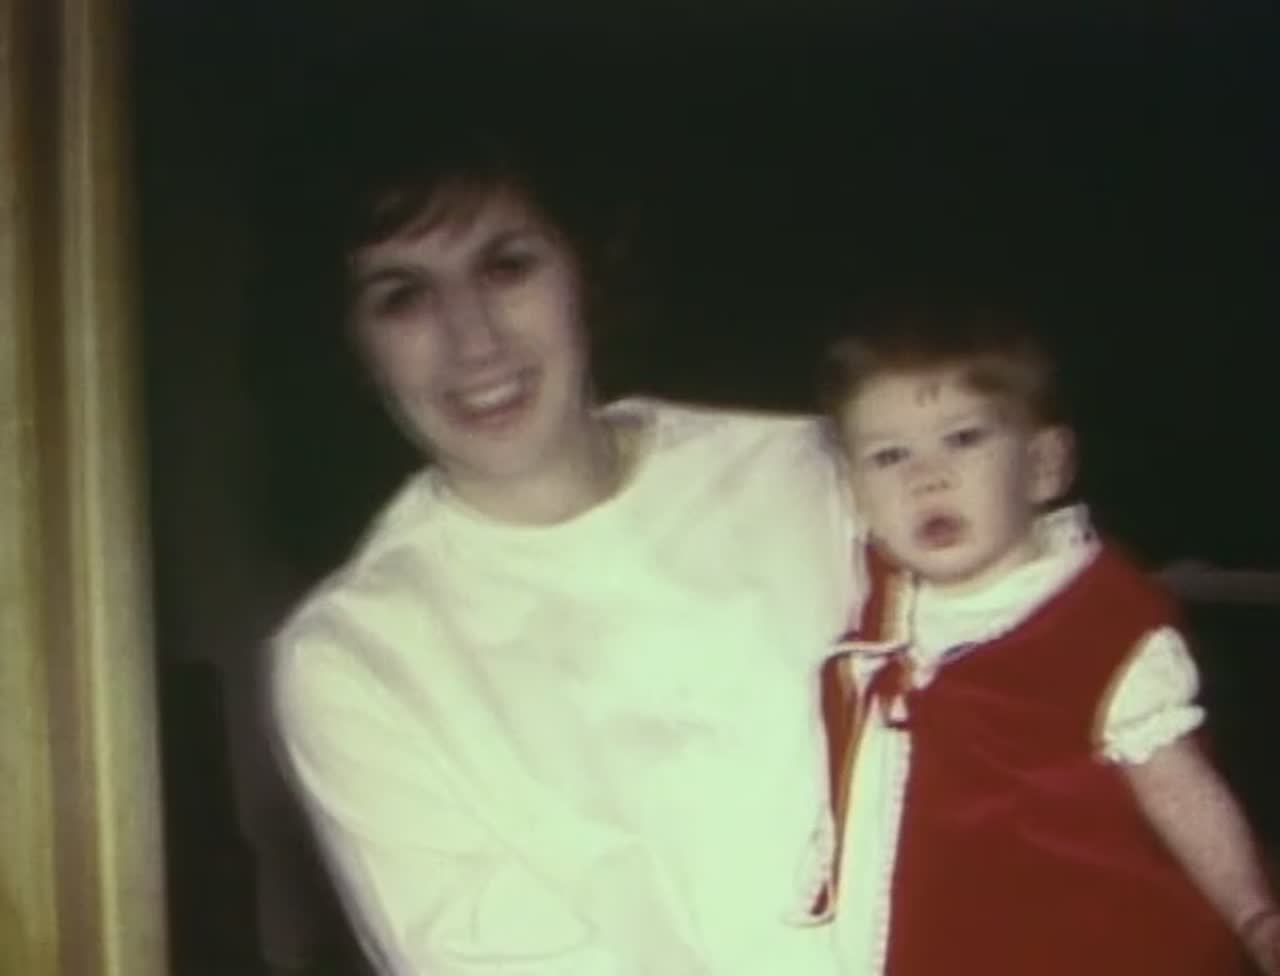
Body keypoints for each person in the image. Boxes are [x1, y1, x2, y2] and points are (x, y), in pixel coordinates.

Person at [266, 108, 858, 975]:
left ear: (585, 266)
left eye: (506, 266)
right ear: (354, 346)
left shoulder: (815, 477)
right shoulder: (355, 658)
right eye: (403, 297)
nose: (474, 341)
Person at [804, 296, 1280, 975]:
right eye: (888, 456)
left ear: (1043, 465)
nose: (926, 477)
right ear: (853, 492)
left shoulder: (1101, 621)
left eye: (963, 438)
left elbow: (1180, 789)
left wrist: (1255, 912)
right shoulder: (864, 604)